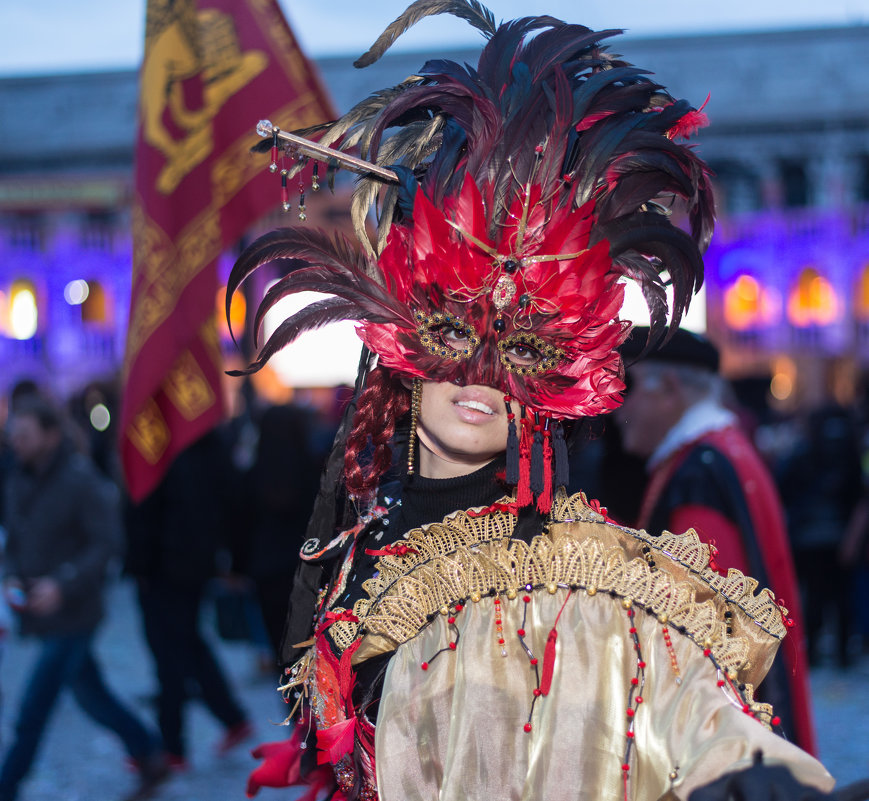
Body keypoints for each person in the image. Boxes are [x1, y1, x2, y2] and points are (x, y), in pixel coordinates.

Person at [229, 3, 838, 799]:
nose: (482, 372)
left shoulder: (567, 582)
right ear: (403, 338)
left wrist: (758, 775)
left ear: (562, 379)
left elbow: (692, 707)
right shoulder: (369, 523)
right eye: (455, 329)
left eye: (522, 347)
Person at [615, 327, 817, 756]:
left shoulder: (697, 471)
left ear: (668, 388)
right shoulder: (719, 451)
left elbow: (706, 631)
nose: (616, 408)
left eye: (626, 388)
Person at [0, 397, 168, 801]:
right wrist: (10, 578)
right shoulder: (19, 479)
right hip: (39, 610)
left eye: (24, 435)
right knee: (92, 695)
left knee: (33, 708)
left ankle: (7, 785)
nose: (16, 444)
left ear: (50, 435)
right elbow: (15, 540)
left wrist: (63, 583)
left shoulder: (80, 480)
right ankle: (148, 751)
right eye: (13, 437)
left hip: (76, 612)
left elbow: (106, 544)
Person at [124, 428, 253, 770]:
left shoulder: (164, 444)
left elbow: (146, 508)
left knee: (169, 651)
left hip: (165, 566)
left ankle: (173, 746)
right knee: (186, 643)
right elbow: (232, 502)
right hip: (189, 562)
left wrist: (138, 562)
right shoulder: (208, 440)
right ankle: (230, 718)